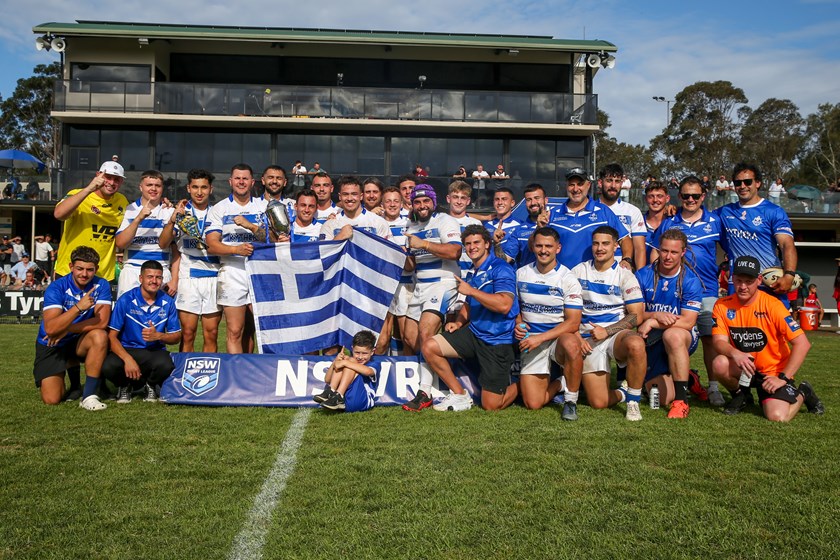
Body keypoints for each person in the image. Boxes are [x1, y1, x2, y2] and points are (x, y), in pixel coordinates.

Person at [711, 256, 824, 421]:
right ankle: (741, 396)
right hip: (746, 369)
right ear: (732, 279)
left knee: (777, 416)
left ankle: (803, 392)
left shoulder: (773, 305)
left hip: (774, 373)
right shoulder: (722, 305)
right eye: (739, 280)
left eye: (748, 281)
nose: (742, 287)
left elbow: (802, 344)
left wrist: (782, 378)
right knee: (719, 363)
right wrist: (735, 353)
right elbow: (718, 342)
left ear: (758, 280)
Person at [421, 225, 520, 411]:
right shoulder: (473, 271)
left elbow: (504, 305)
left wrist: (471, 291)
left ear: (487, 244)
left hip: (496, 341)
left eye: (476, 242)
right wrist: (458, 322)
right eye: (468, 244)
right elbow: (468, 303)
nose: (472, 247)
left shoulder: (501, 268)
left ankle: (524, 383)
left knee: (491, 406)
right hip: (474, 333)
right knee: (429, 346)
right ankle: (460, 395)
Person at [651, 176, 727, 406]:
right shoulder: (669, 221)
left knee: (709, 340)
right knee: (667, 337)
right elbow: (656, 252)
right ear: (679, 197)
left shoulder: (715, 221)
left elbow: (728, 251)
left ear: (703, 196)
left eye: (695, 195)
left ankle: (713, 387)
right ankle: (673, 380)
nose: (690, 200)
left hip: (706, 292)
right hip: (672, 293)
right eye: (685, 196)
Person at [568, 226, 647, 421]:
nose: (600, 248)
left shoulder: (624, 275)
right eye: (596, 243)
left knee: (636, 344)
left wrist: (608, 330)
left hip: (614, 336)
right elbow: (566, 309)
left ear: (616, 246)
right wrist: (577, 337)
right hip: (588, 339)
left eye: (605, 243)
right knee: (598, 402)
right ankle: (623, 392)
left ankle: (633, 401)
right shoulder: (579, 271)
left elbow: (636, 316)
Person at [400, 184, 463, 411]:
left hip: (443, 283)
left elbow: (455, 251)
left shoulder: (445, 221)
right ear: (412, 205)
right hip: (420, 285)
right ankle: (435, 380)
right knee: (410, 338)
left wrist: (424, 243)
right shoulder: (410, 225)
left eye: (426, 201)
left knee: (426, 333)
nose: (422, 205)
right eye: (417, 202)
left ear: (433, 202)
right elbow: (411, 263)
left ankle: (425, 392)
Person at [32, 246, 112, 409]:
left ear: (96, 269)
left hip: (77, 339)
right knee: (52, 399)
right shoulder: (57, 287)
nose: (84, 274)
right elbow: (51, 329)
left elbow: (102, 322)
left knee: (100, 335)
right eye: (79, 268)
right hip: (52, 342)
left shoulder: (101, 285)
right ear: (70, 267)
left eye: (90, 270)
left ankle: (89, 395)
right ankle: (75, 386)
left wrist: (67, 330)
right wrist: (78, 308)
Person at [636, 228, 704, 418]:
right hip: (651, 338)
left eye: (674, 252)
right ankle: (688, 378)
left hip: (681, 335)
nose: (668, 256)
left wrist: (653, 322)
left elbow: (688, 321)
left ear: (683, 252)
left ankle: (681, 401)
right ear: (658, 249)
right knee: (658, 398)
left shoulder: (690, 280)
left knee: (672, 335)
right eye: (664, 250)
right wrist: (655, 315)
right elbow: (635, 314)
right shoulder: (642, 275)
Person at [515, 227, 583, 409]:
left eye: (548, 246)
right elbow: (515, 308)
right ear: (533, 247)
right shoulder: (521, 274)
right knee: (533, 404)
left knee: (572, 343)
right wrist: (518, 322)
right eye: (539, 246)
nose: (543, 250)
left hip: (555, 339)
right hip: (530, 340)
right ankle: (562, 382)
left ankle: (571, 400)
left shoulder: (568, 278)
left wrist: (540, 338)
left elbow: (574, 322)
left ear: (558, 248)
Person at [205, 163, 268, 354]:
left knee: (262, 330)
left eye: (245, 178)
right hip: (232, 272)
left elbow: (273, 237)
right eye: (237, 178)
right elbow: (212, 245)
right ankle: (237, 377)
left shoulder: (263, 206)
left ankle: (261, 373)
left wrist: (251, 226)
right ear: (231, 182)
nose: (241, 182)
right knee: (234, 330)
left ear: (252, 182)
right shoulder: (219, 208)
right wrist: (236, 249)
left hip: (260, 271)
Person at [159, 169, 222, 352]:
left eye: (204, 187)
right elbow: (163, 243)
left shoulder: (217, 213)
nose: (199, 192)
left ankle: (210, 377)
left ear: (211, 189)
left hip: (214, 276)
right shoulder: (181, 212)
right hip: (189, 277)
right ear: (188, 188)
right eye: (195, 187)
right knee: (188, 332)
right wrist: (172, 220)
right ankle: (185, 377)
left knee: (211, 333)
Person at [717, 163, 797, 306]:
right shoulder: (724, 212)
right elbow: (697, 216)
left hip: (767, 285)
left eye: (747, 182)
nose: (742, 186)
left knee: (774, 329)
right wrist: (672, 209)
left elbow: (786, 244)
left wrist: (789, 274)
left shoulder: (774, 211)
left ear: (758, 183)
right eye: (737, 183)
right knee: (736, 328)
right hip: (738, 286)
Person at [103, 260, 181, 403]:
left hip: (154, 351)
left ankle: (150, 385)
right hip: (128, 349)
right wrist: (128, 359)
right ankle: (124, 385)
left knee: (166, 365)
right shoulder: (126, 299)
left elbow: (176, 336)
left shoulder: (168, 302)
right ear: (141, 278)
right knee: (108, 365)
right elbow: (112, 337)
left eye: (158, 277)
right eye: (150, 277)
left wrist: (159, 336)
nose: (154, 281)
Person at [54, 160, 129, 282]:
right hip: (70, 272)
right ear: (98, 175)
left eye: (116, 179)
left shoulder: (122, 201)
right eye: (108, 177)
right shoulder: (77, 194)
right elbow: (59, 214)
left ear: (121, 182)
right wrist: (89, 189)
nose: (111, 182)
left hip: (102, 275)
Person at [550, 168, 632, 270]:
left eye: (580, 184)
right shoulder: (553, 213)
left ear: (588, 185)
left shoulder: (603, 212)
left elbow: (624, 239)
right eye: (571, 184)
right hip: (560, 278)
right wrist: (539, 227)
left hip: (592, 280)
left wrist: (626, 259)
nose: (575, 189)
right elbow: (534, 245)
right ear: (566, 186)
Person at [114, 169, 176, 297]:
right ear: (141, 187)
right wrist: (138, 219)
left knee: (160, 315)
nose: (153, 189)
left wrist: (175, 279)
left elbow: (172, 248)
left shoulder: (169, 211)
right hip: (133, 270)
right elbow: (120, 243)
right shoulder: (129, 209)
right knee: (127, 314)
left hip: (161, 270)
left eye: (157, 185)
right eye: (149, 185)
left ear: (162, 188)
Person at [377, 186, 414, 355]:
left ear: (401, 204)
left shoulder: (410, 223)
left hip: (405, 285)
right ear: (382, 204)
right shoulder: (375, 223)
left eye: (396, 201)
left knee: (407, 337)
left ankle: (405, 374)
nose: (392, 204)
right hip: (381, 286)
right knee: (381, 340)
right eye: (388, 201)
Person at [313, 330, 379, 412]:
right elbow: (327, 379)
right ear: (352, 349)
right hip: (345, 403)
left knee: (350, 361)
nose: (360, 357)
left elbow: (368, 371)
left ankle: (338, 396)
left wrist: (344, 362)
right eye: (357, 352)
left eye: (364, 353)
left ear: (372, 351)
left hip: (361, 401)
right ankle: (331, 392)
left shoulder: (374, 364)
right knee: (348, 360)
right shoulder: (348, 361)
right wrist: (336, 361)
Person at [596, 164, 646, 270]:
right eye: (609, 180)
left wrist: (640, 277)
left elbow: (639, 249)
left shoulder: (632, 211)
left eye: (617, 181)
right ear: (600, 183)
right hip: (595, 268)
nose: (613, 186)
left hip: (622, 269)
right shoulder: (590, 210)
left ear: (621, 183)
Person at [319, 176, 390, 241]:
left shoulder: (378, 222)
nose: (349, 198)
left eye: (354, 194)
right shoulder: (330, 225)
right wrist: (339, 237)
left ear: (361, 196)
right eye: (345, 194)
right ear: (340, 197)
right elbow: (324, 252)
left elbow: (387, 252)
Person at [497, 183, 549, 268]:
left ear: (546, 200)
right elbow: (505, 260)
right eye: (528, 200)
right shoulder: (519, 230)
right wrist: (496, 244)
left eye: (537, 198)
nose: (533, 203)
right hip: (527, 279)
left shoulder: (558, 224)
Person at [642, 181, 670, 264]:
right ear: (646, 199)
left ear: (667, 198)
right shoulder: (637, 223)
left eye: (659, 196)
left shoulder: (673, 223)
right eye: (651, 196)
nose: (655, 200)